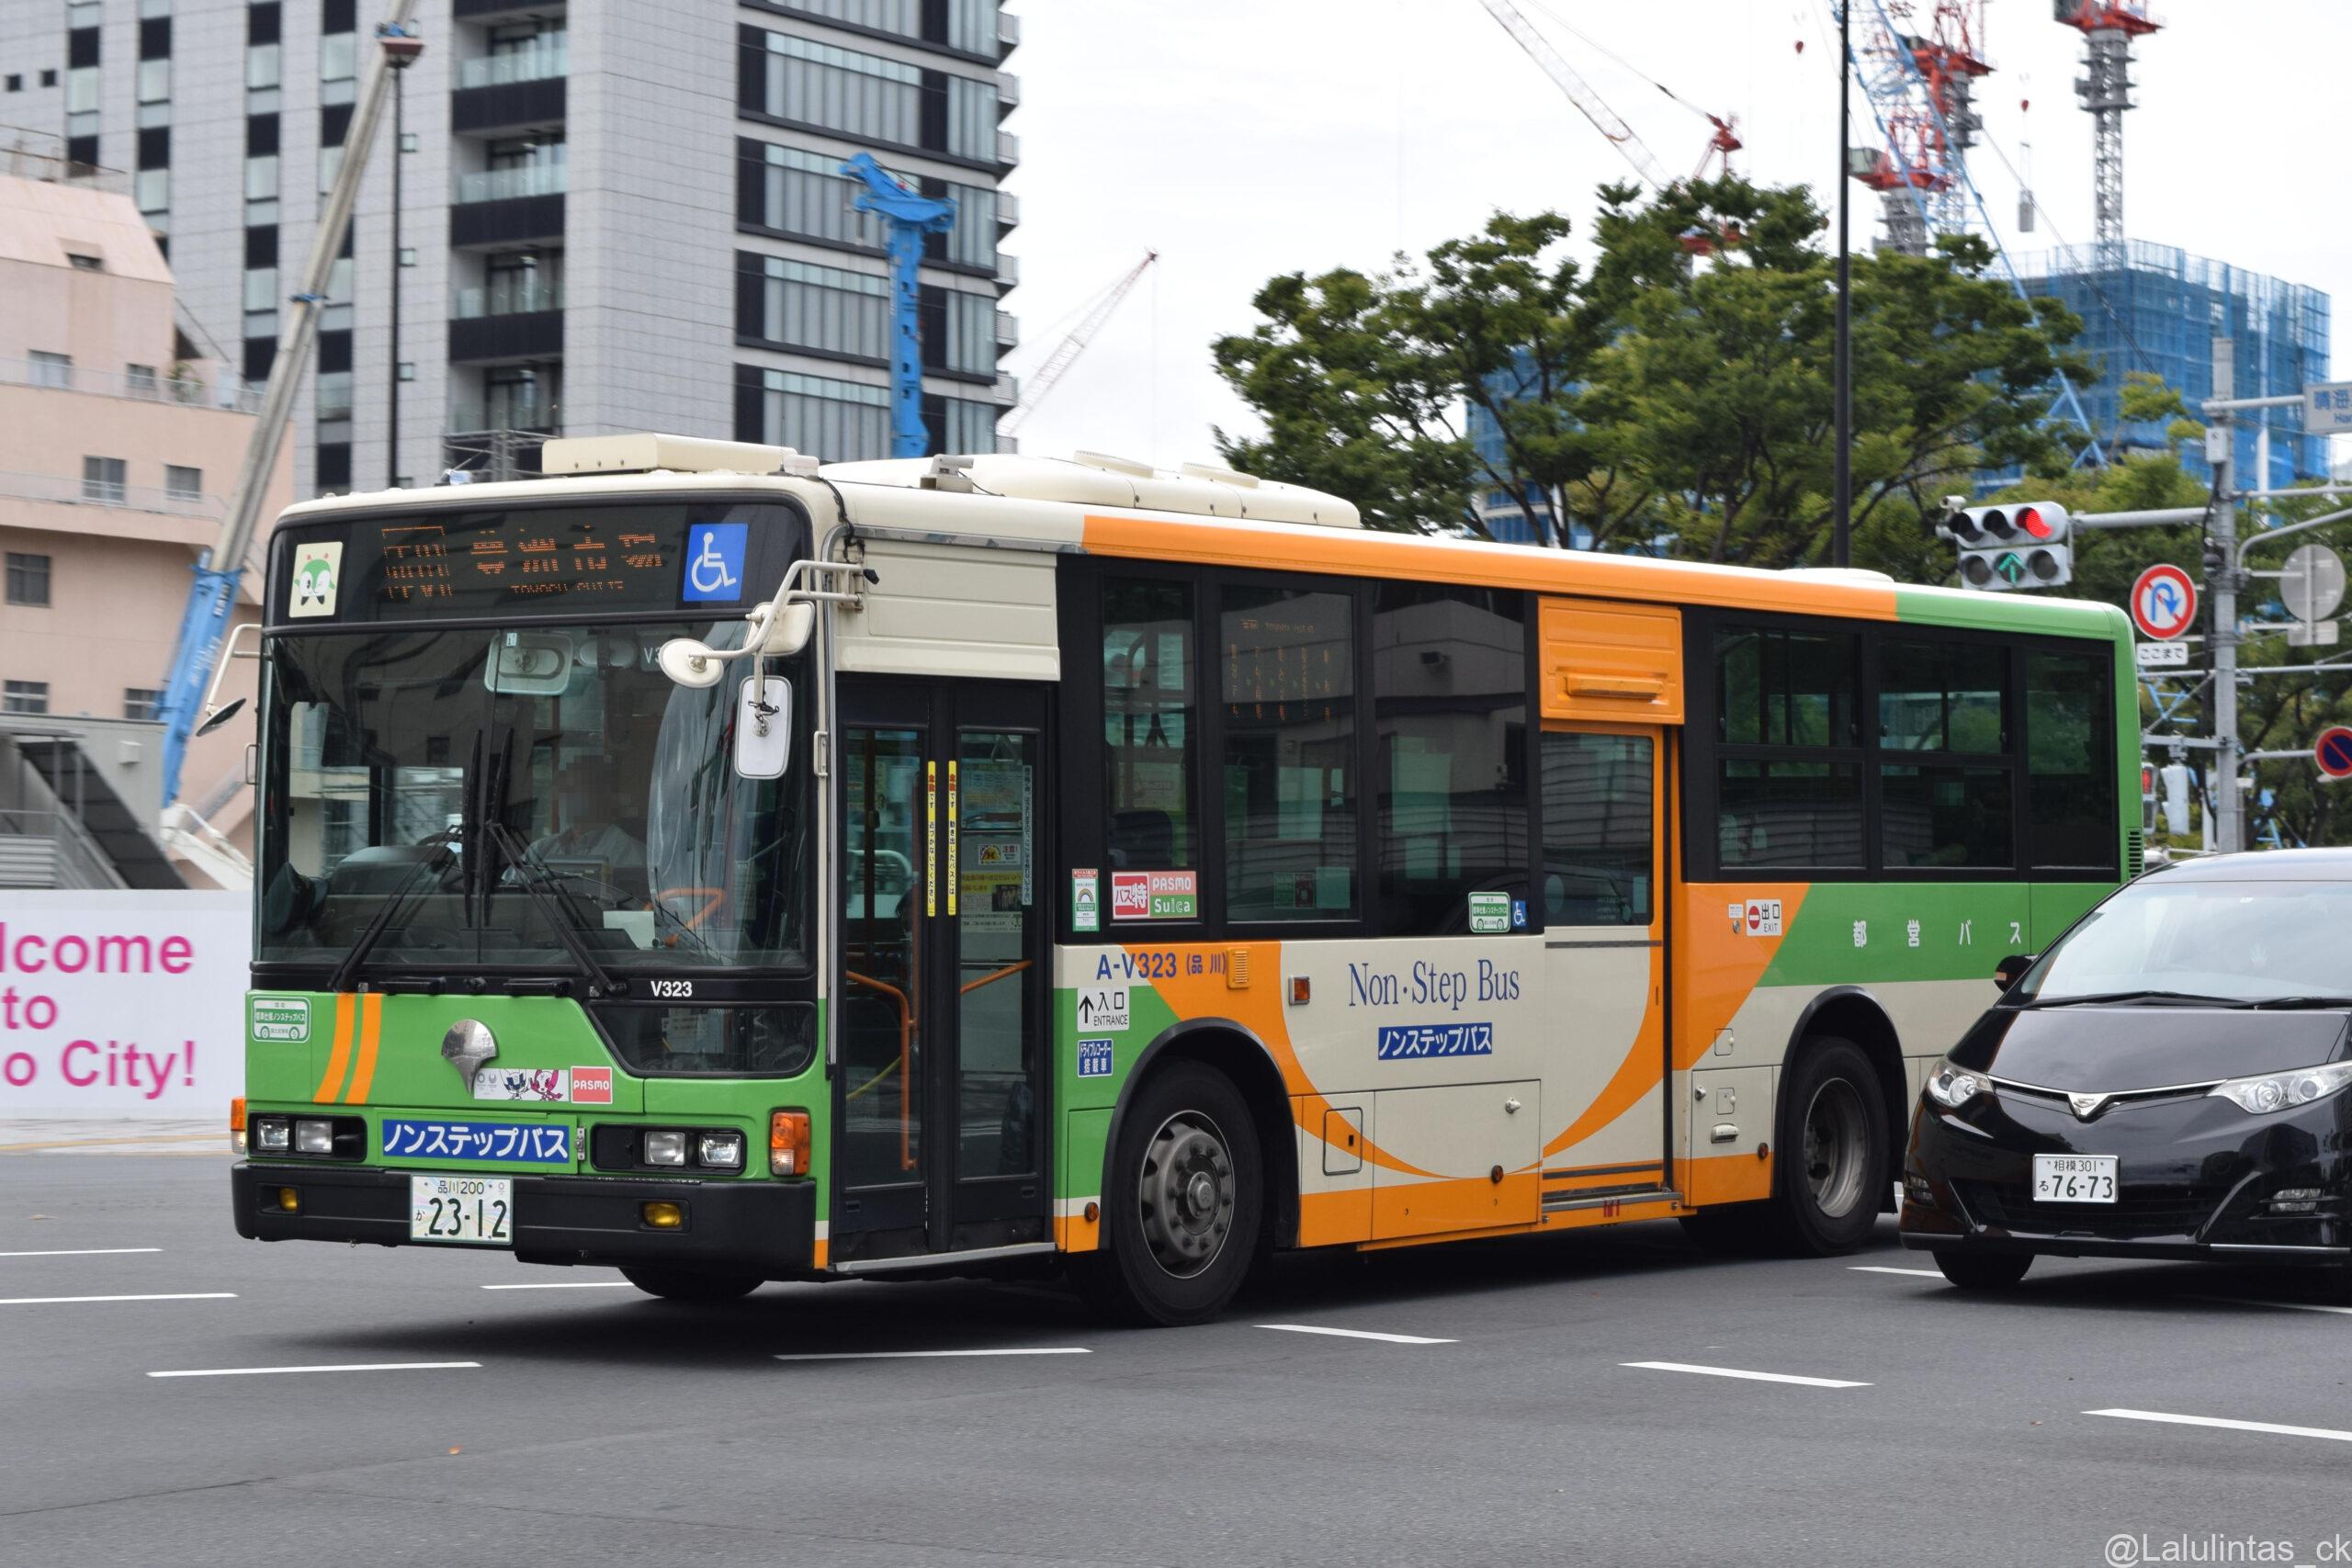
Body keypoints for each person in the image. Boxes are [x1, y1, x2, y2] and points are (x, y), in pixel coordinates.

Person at [528, 754, 647, 876]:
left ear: (599, 794)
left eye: (574, 788)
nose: (565, 796)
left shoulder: (628, 852)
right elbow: (516, 881)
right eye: (562, 789)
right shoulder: (540, 850)